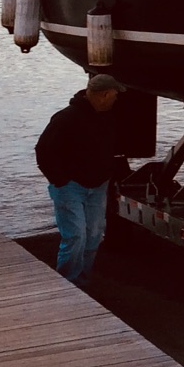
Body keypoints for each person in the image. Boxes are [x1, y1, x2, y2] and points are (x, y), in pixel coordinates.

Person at [36, 73, 128, 285]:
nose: (116, 99)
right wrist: (60, 180)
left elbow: (111, 150)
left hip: (98, 186)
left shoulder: (108, 118)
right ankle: (68, 282)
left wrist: (110, 177)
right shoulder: (66, 118)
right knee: (76, 236)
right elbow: (43, 151)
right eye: (115, 94)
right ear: (104, 94)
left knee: (94, 236)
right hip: (70, 187)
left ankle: (81, 281)